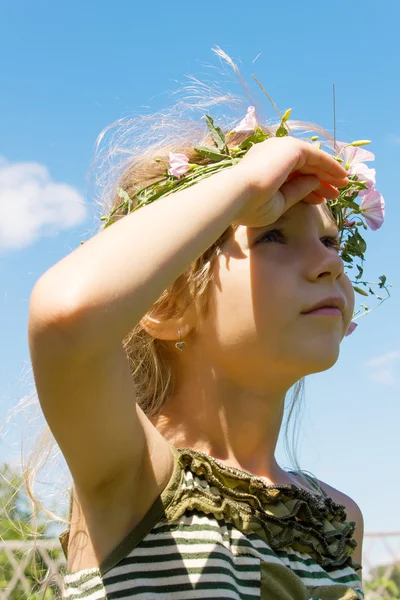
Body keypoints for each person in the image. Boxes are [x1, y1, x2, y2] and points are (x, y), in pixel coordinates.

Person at [27, 67, 368, 598]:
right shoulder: (136, 474)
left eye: (330, 242)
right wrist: (243, 183)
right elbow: (67, 314)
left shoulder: (339, 521)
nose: (329, 265)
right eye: (273, 235)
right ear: (167, 303)